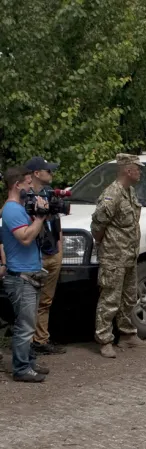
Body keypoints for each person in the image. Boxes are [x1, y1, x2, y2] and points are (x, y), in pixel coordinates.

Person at [90, 153, 146, 358]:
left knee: (129, 297)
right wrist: (103, 244)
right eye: (138, 168)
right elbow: (97, 224)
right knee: (110, 299)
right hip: (114, 257)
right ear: (128, 170)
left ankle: (127, 335)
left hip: (129, 255)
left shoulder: (129, 192)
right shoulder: (112, 194)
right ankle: (105, 339)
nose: (140, 172)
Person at [1, 166, 50, 382]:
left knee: (28, 323)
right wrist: (39, 219)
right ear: (17, 185)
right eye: (28, 183)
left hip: (30, 273)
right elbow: (25, 238)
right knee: (25, 325)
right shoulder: (11, 210)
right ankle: (21, 369)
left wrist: (41, 214)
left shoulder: (21, 208)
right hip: (20, 276)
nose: (31, 187)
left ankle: (29, 362)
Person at [25, 157, 67, 355]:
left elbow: (56, 220)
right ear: (36, 173)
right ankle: (27, 342)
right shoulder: (24, 197)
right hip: (35, 254)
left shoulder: (49, 194)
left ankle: (41, 340)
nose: (51, 174)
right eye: (48, 171)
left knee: (46, 301)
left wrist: (60, 245)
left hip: (53, 252)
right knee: (30, 300)